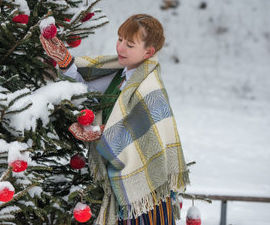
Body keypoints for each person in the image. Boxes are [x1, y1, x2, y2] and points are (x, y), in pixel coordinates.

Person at [40, 14, 190, 225]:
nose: (120, 48)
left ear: (149, 52)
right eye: (119, 39)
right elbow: (85, 90)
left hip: (145, 194)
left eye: (129, 44)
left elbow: (142, 138)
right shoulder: (119, 75)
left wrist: (101, 131)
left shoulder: (151, 88)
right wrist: (65, 61)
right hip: (119, 184)